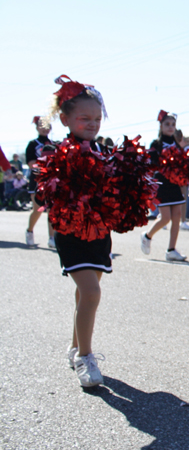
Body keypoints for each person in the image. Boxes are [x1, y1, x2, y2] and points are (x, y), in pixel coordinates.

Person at [49, 75, 111, 387]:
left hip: (99, 231)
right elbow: (48, 193)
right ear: (65, 119)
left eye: (97, 118)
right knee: (91, 292)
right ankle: (86, 357)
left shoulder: (104, 152)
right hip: (71, 232)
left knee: (83, 293)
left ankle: (75, 348)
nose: (92, 124)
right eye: (84, 118)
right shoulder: (59, 153)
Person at [141, 111, 188, 262]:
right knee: (165, 217)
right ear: (160, 126)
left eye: (173, 124)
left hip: (175, 183)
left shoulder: (176, 144)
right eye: (167, 124)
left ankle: (171, 250)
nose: (170, 127)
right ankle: (147, 235)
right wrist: (165, 163)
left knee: (177, 216)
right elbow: (152, 163)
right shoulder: (156, 144)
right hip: (161, 182)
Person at [24, 116, 55, 248]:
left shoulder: (55, 144)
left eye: (47, 126)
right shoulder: (32, 144)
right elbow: (31, 163)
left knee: (52, 209)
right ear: (37, 128)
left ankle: (52, 238)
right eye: (42, 126)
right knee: (38, 209)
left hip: (51, 180)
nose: (45, 129)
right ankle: (29, 231)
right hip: (37, 180)